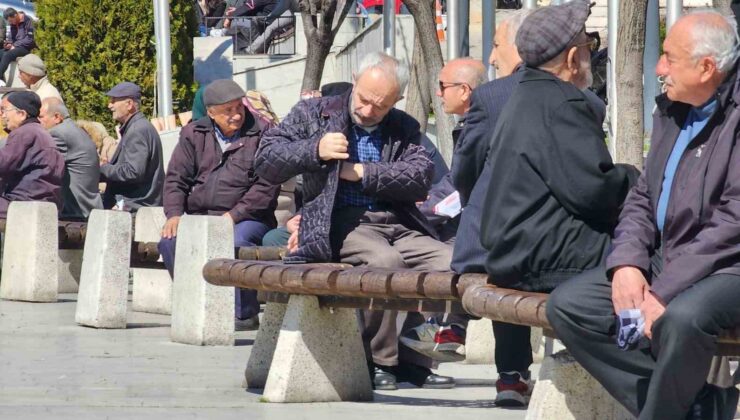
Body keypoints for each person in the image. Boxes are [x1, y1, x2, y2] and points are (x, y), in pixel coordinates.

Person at [548, 10, 740, 420]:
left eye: (670, 57)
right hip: (668, 257)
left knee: (683, 319)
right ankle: (698, 406)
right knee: (571, 305)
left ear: (707, 68)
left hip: (727, 267)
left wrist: (662, 291)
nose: (659, 68)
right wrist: (628, 264)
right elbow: (644, 196)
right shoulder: (673, 108)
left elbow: (732, 223)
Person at [255, 52, 455, 390]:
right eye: (364, 99)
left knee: (453, 261)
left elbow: (421, 176)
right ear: (354, 79)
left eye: (380, 105)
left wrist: (363, 172)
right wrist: (314, 149)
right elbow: (265, 159)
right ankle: (379, 360)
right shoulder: (314, 113)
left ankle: (416, 353)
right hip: (342, 221)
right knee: (385, 263)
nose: (367, 110)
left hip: (399, 221)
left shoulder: (403, 126)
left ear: (397, 100)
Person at [479, 0, 639, 406]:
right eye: (589, 44)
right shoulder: (562, 103)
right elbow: (594, 192)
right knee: (652, 262)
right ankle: (665, 385)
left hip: (513, 252)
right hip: (545, 257)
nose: (591, 52)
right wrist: (635, 179)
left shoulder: (525, 95)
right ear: (572, 57)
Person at [159, 79, 280, 330]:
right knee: (170, 242)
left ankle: (244, 313)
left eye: (239, 107)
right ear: (211, 113)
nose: (236, 115)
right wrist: (174, 214)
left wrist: (233, 216)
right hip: (201, 214)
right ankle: (194, 303)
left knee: (236, 241)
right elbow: (176, 179)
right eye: (228, 110)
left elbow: (265, 188)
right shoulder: (194, 133)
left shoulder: (262, 134)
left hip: (248, 217)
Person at [100, 82, 164, 211]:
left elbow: (133, 172)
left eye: (113, 100)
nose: (109, 105)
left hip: (136, 207)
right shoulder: (137, 127)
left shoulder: (137, 130)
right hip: (136, 205)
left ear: (129, 104)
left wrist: (104, 168)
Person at [0, 91, 63, 216]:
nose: (2, 115)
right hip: (40, 201)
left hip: (22, 202)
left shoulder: (24, 133)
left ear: (22, 114)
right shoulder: (40, 132)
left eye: (5, 110)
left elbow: (2, 164)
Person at [38, 97, 103, 220]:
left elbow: (44, 167)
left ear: (57, 117)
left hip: (75, 213)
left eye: (41, 117)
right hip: (89, 209)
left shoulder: (58, 133)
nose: (38, 120)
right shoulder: (75, 130)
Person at [0, 8, 35, 86]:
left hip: (26, 48)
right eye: (9, 21)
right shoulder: (13, 23)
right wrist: (8, 43)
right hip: (16, 46)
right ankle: (1, 79)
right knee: (1, 53)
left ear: (16, 15)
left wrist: (15, 45)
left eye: (11, 20)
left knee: (7, 55)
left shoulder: (28, 20)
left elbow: (30, 40)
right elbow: (12, 38)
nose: (10, 23)